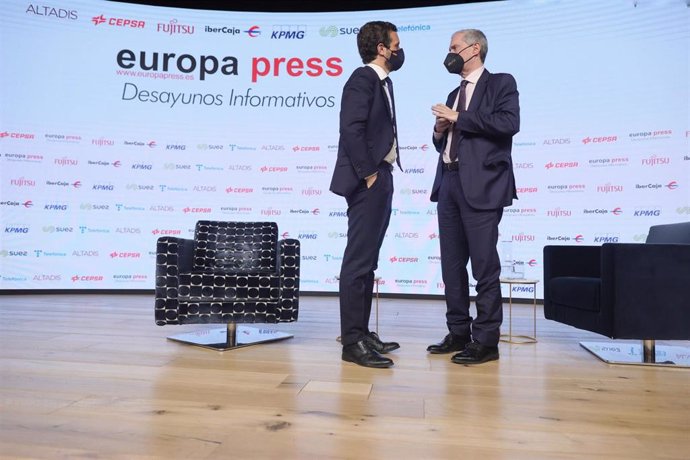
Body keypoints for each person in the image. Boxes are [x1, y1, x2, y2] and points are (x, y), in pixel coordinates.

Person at [428, 29, 520, 365]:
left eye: (453, 47)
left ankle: (486, 340)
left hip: (482, 186)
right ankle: (458, 332)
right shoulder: (454, 92)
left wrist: (458, 117)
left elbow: (509, 123)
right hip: (449, 183)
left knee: (484, 266)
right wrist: (440, 131)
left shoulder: (501, 84)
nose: (449, 53)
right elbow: (447, 142)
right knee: (452, 266)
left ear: (474, 48)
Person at [329, 21, 404, 368]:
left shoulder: (380, 82)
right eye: (396, 45)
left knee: (368, 262)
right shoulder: (363, 79)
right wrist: (370, 173)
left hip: (380, 176)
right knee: (358, 262)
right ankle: (352, 342)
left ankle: (361, 333)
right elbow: (351, 129)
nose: (400, 51)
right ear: (382, 49)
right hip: (367, 179)